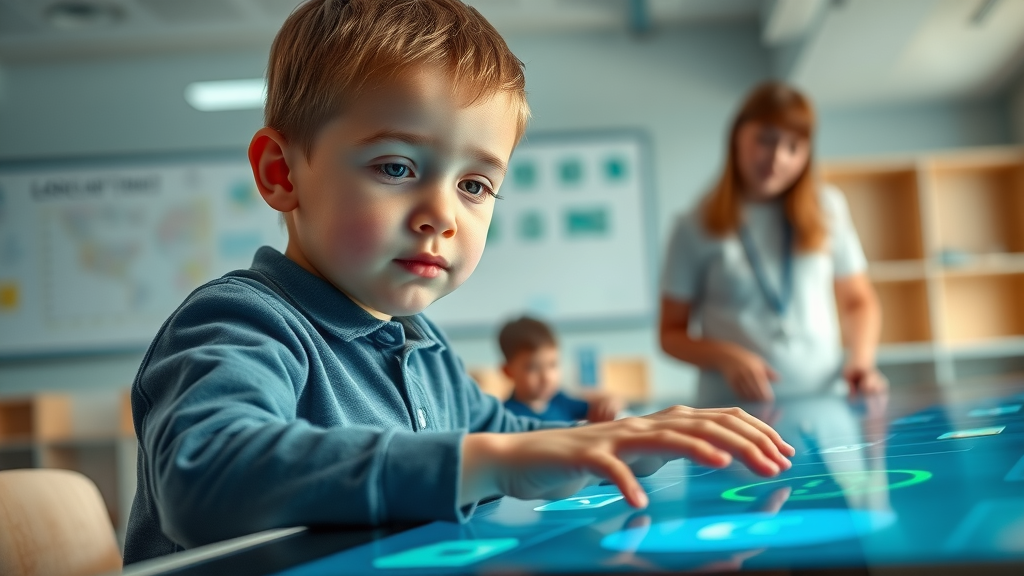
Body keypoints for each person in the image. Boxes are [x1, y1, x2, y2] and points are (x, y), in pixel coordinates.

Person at [124, 0, 795, 563]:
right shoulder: (240, 320)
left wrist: (628, 441)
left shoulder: (424, 348)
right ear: (281, 174)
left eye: (475, 185)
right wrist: (492, 459)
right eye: (395, 167)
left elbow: (515, 446)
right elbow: (202, 474)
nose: (441, 215)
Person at [659, 81, 887, 407]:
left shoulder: (828, 208)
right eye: (765, 140)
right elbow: (670, 334)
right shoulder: (693, 226)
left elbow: (858, 301)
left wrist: (861, 362)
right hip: (732, 414)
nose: (778, 158)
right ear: (738, 136)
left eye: (793, 147)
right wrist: (726, 356)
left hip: (824, 402)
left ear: (806, 155)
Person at [499, 316, 622, 423]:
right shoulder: (506, 417)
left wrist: (611, 400)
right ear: (508, 371)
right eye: (533, 368)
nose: (546, 377)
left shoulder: (559, 399)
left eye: (553, 365)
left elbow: (596, 403)